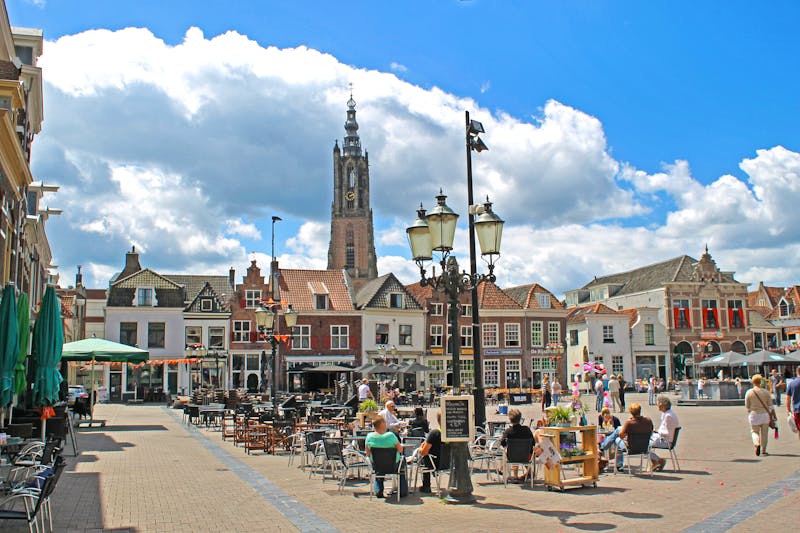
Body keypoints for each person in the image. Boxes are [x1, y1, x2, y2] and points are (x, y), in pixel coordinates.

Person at [600, 403, 653, 471]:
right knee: (618, 431)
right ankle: (618, 463)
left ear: (631, 412)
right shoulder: (648, 420)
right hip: (644, 446)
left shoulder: (630, 422)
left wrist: (626, 434)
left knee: (617, 436)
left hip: (631, 448)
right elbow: (650, 431)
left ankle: (603, 446)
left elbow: (621, 435)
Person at [365, 415, 408, 498]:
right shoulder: (391, 435)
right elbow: (400, 450)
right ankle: (402, 490)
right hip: (393, 466)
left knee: (379, 469)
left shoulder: (369, 437)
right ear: (383, 424)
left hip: (378, 465)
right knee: (402, 464)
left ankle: (378, 490)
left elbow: (368, 453)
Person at [499, 408, 535, 482]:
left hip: (512, 457)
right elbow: (533, 443)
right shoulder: (526, 430)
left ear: (510, 419)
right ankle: (529, 472)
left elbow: (502, 443)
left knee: (510, 451)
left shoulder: (508, 431)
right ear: (520, 418)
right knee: (522, 451)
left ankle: (512, 475)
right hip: (526, 457)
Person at [745, 374, 774, 456]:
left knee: (754, 432)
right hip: (765, 415)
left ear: (753, 382)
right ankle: (764, 450)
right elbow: (770, 406)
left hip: (754, 414)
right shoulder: (766, 392)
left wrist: (750, 410)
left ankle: (757, 443)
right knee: (764, 433)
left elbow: (747, 405)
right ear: (761, 381)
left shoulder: (749, 392)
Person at [649, 396, 679, 471]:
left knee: (643, 444)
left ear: (662, 406)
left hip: (666, 441)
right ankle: (655, 461)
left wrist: (657, 431)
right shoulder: (668, 413)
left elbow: (666, 432)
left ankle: (658, 460)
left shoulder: (668, 416)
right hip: (665, 438)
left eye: (658, 404)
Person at [415, 412, 442, 493]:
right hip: (448, 463)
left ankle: (426, 486)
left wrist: (420, 448)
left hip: (434, 463)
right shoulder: (451, 434)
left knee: (423, 457)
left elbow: (424, 452)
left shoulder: (435, 433)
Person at [785, 366, 800, 440]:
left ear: (797, 372)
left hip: (798, 410)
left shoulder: (792, 383)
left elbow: (788, 397)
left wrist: (788, 409)